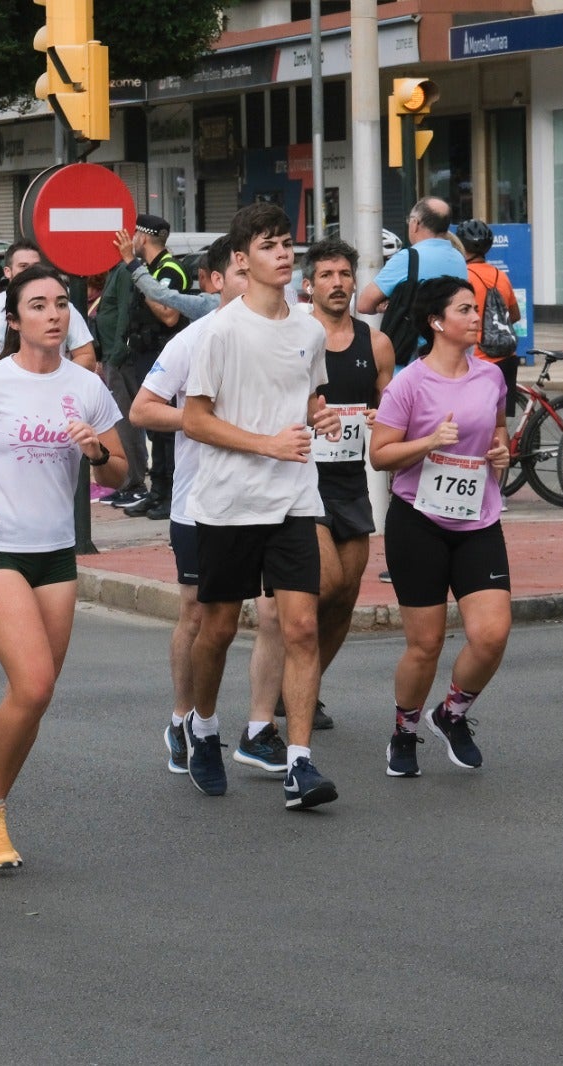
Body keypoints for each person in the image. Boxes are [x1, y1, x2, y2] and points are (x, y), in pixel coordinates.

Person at [0, 264, 126, 869]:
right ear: (14, 320)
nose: (54, 314)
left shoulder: (86, 386)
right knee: (31, 681)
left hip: (56, 555)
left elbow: (121, 473)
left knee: (37, 695)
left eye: (61, 304)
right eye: (38, 305)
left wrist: (97, 453)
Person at [180, 201, 342, 811]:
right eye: (270, 244)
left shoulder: (307, 328)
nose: (284, 253)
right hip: (228, 503)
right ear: (242, 261)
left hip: (295, 499)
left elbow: (307, 397)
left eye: (287, 242)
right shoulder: (220, 330)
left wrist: (315, 417)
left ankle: (300, 763)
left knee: (301, 626)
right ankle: (201, 727)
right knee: (217, 629)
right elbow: (195, 419)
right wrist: (267, 443)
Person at [132, 236, 289, 781]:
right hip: (202, 500)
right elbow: (142, 410)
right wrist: (204, 422)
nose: (251, 284)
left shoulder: (282, 334)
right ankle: (185, 718)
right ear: (216, 281)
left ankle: (260, 727)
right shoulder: (193, 340)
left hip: (269, 498)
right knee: (199, 614)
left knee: (274, 614)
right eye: (239, 275)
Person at [368, 276, 511, 778]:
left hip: (478, 519)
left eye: (477, 309)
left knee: (492, 635)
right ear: (436, 322)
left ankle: (452, 713)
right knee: (425, 645)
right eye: (465, 309)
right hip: (418, 522)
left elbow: (497, 436)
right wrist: (428, 442)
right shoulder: (410, 382)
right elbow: (380, 454)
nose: (476, 317)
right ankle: (403, 731)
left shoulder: (491, 377)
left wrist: (501, 454)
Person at [304, 239, 395, 722]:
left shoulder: (375, 343)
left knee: (345, 595)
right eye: (326, 275)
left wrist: (385, 419)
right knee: (325, 581)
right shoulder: (294, 336)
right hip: (301, 480)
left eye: (343, 274)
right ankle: (292, 678)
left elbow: (392, 410)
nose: (337, 283)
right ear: (308, 284)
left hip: (349, 481)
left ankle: (304, 687)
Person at [116, 214, 188, 517]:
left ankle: (171, 495)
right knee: (155, 432)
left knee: (167, 431)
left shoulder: (170, 269)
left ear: (142, 238)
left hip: (165, 357)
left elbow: (169, 315)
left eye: (134, 233)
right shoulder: (151, 269)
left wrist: (138, 272)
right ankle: (157, 493)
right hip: (146, 355)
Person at [357, 196, 468, 364]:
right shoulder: (459, 258)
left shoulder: (408, 258)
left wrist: (385, 305)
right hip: (450, 356)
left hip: (412, 360)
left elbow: (364, 304)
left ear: (415, 223)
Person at [0, 238, 97, 368]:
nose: (31, 273)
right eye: (23, 267)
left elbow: (86, 356)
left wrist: (55, 381)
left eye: (35, 267)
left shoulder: (61, 307)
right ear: (7, 272)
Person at [455, 219, 522, 399]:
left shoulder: (462, 276)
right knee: (500, 421)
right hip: (507, 357)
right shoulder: (500, 275)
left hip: (479, 358)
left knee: (476, 418)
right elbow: (514, 315)